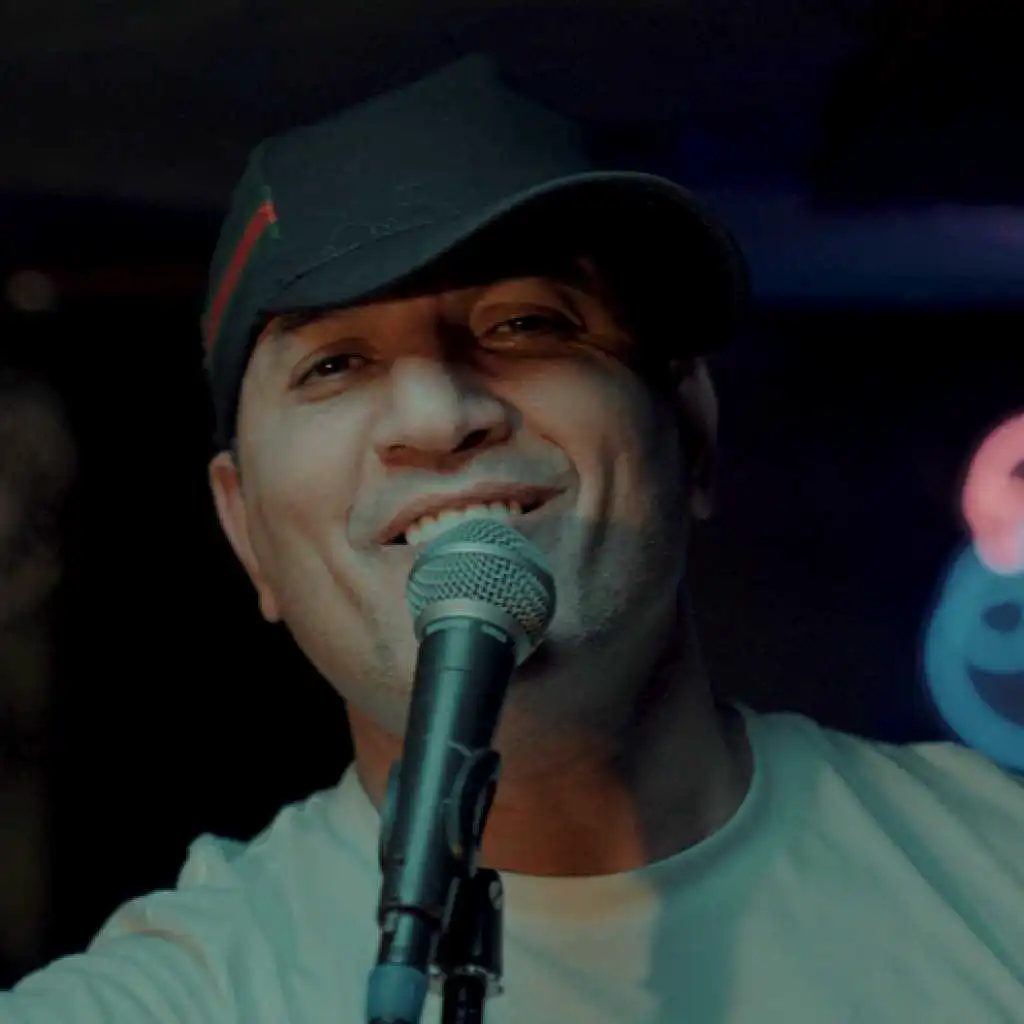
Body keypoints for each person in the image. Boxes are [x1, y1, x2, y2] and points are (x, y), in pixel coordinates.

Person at [4, 53, 1024, 1024]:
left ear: (691, 432)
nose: (438, 414)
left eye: (527, 325)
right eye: (334, 364)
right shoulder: (166, 998)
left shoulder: (995, 868)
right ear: (245, 530)